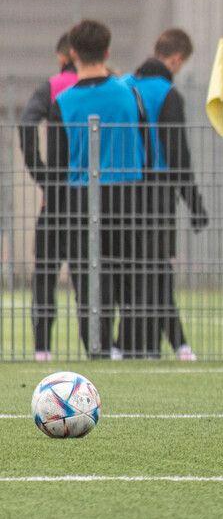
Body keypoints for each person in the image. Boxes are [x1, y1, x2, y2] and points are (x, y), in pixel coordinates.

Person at [47, 19, 150, 359]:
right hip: (127, 195)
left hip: (79, 200)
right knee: (132, 278)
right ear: (107, 52)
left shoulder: (62, 103)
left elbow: (57, 167)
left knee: (89, 285)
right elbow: (146, 150)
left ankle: (99, 351)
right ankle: (131, 349)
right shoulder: (129, 95)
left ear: (72, 54)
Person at [123, 28, 208, 360]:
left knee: (132, 272)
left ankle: (159, 344)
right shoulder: (168, 94)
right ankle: (173, 346)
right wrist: (194, 203)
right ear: (175, 59)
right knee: (157, 269)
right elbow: (178, 156)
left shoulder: (123, 85)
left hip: (118, 192)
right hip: (156, 194)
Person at [18, 32, 79, 361]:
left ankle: (42, 350)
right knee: (94, 274)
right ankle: (101, 347)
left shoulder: (54, 86)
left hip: (56, 198)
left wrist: (43, 176)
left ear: (64, 56)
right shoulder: (107, 83)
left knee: (45, 275)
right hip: (95, 197)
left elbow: (26, 123)